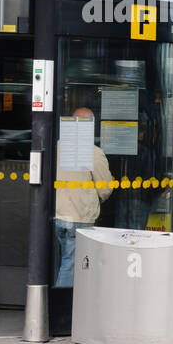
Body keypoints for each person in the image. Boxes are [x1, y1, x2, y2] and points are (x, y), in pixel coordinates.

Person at [53, 107, 113, 287]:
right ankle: (62, 309)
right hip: (79, 216)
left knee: (68, 261)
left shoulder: (57, 147)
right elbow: (105, 188)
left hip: (58, 214)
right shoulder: (93, 152)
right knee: (71, 265)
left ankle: (69, 303)